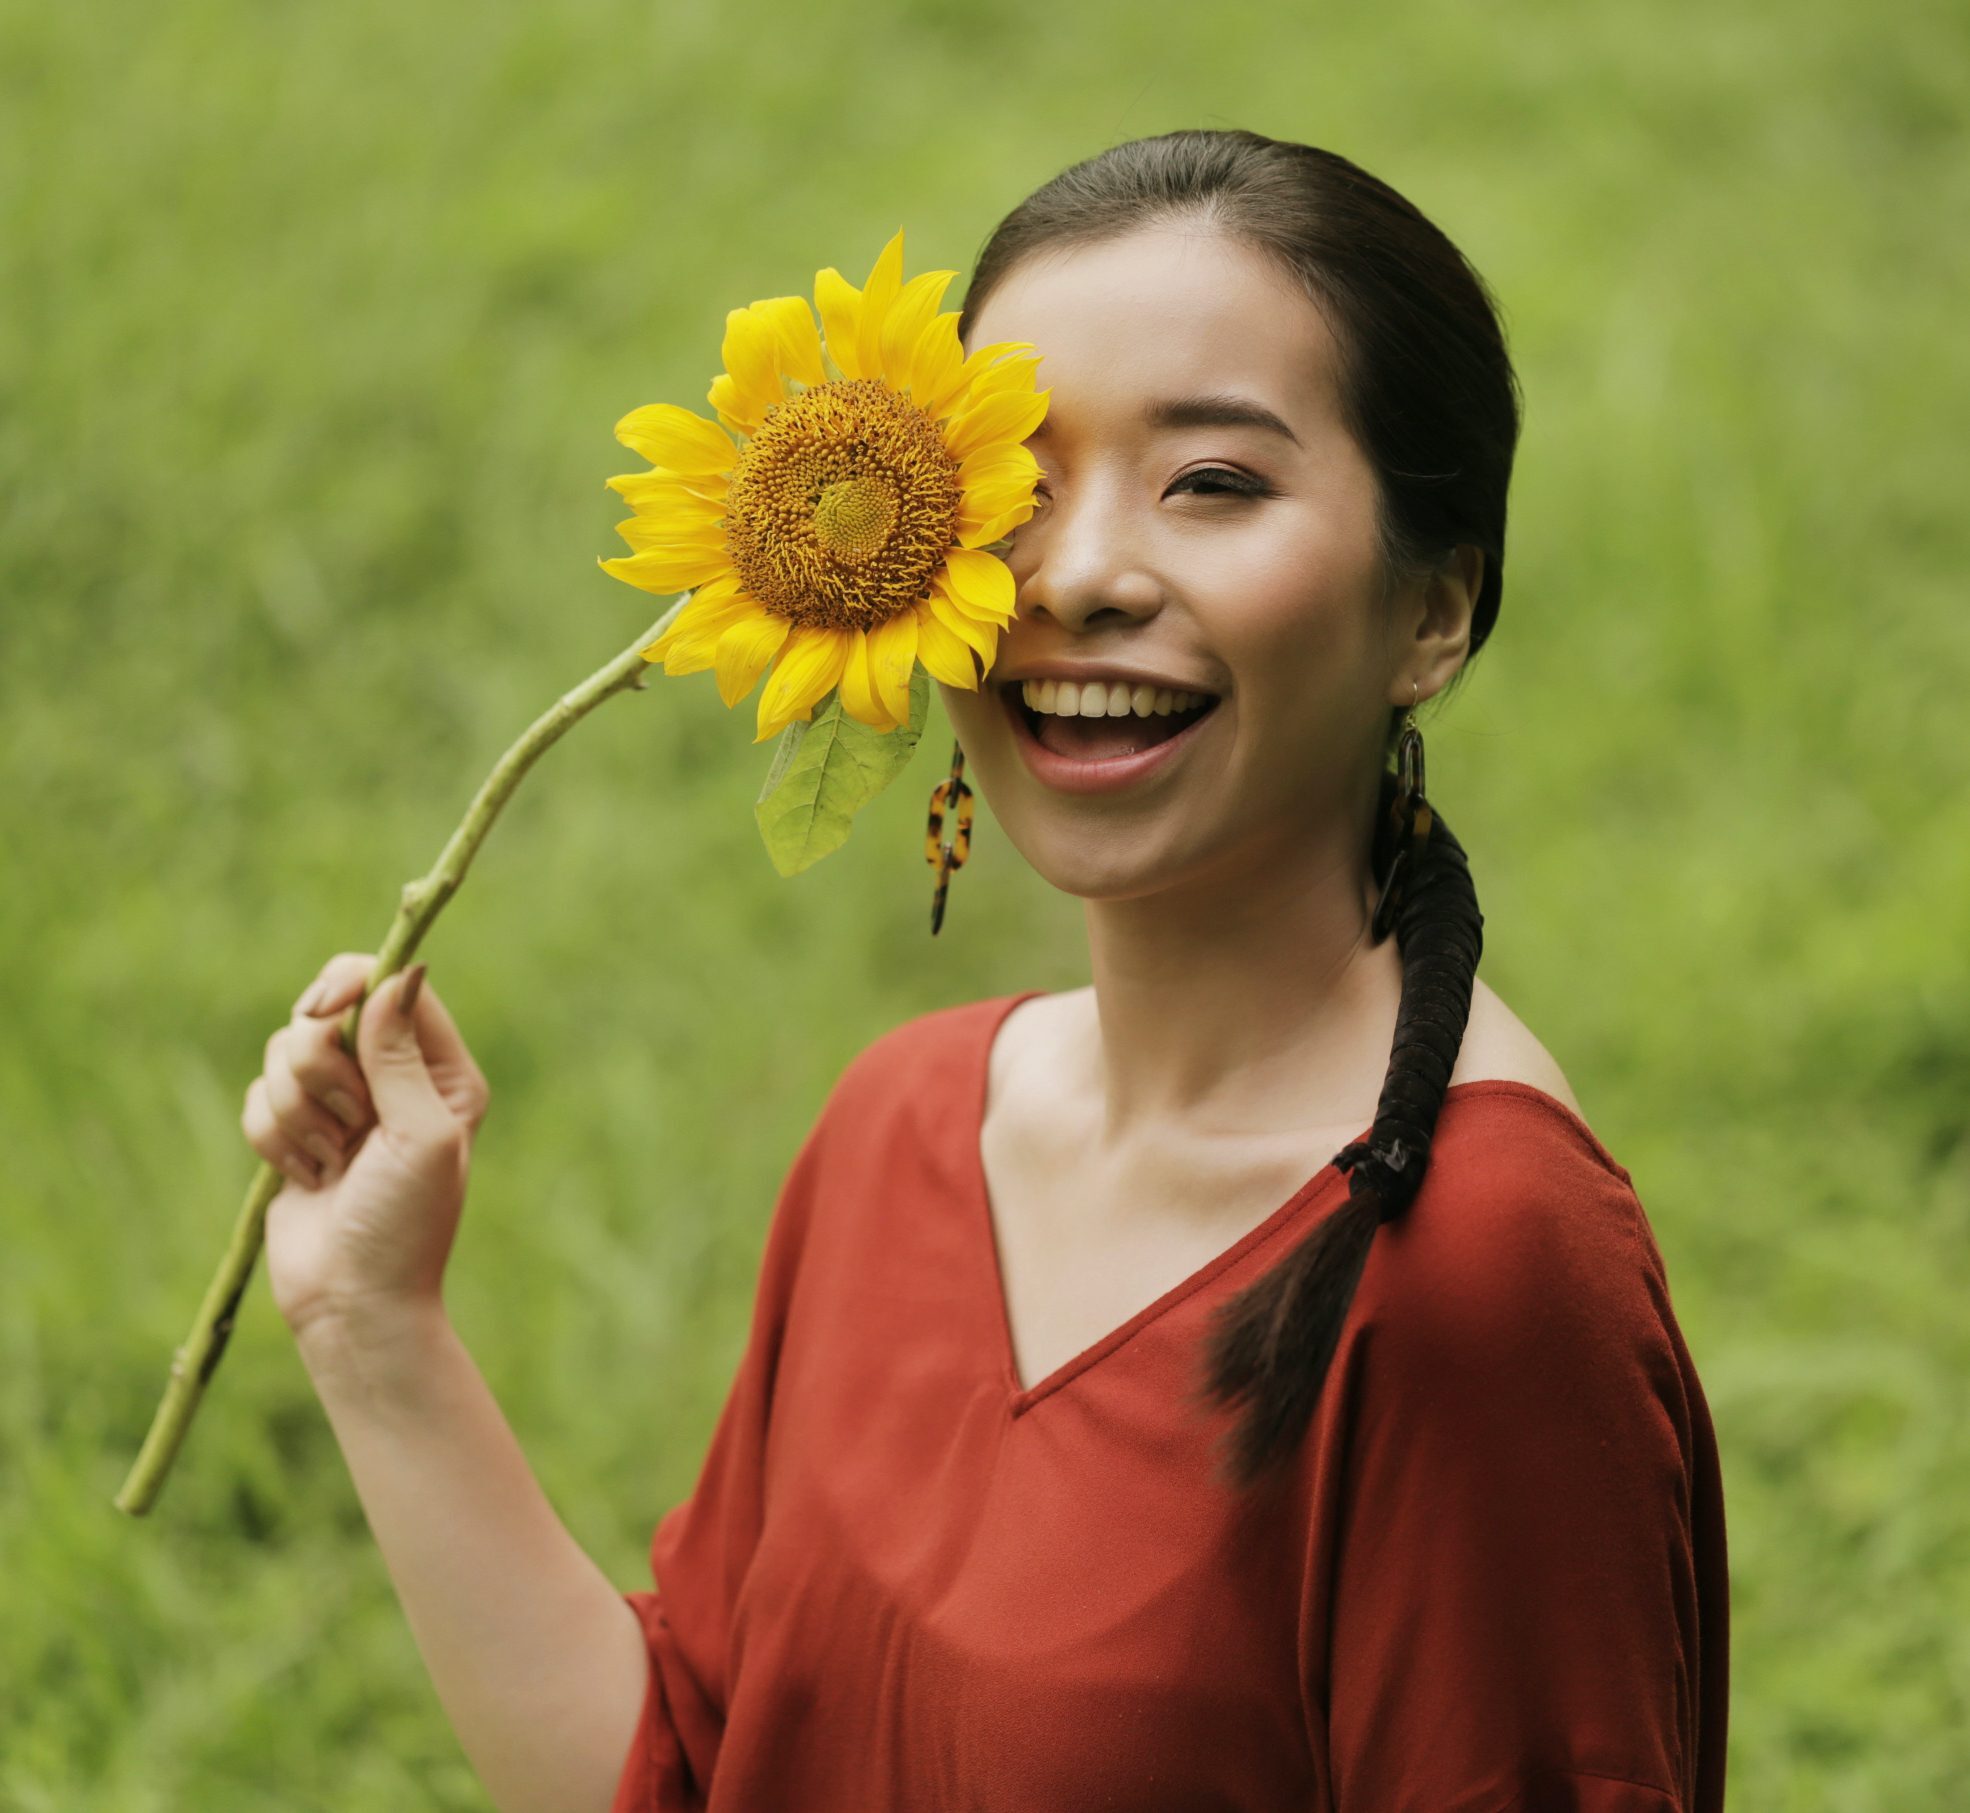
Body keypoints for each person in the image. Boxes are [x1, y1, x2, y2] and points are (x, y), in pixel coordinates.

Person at [244, 129, 1729, 1812]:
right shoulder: (904, 1121)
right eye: (1014, 491)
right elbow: (696, 1773)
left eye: (1214, 482)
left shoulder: (1471, 1266)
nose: (1076, 576)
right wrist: (372, 1324)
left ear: (1431, 614)